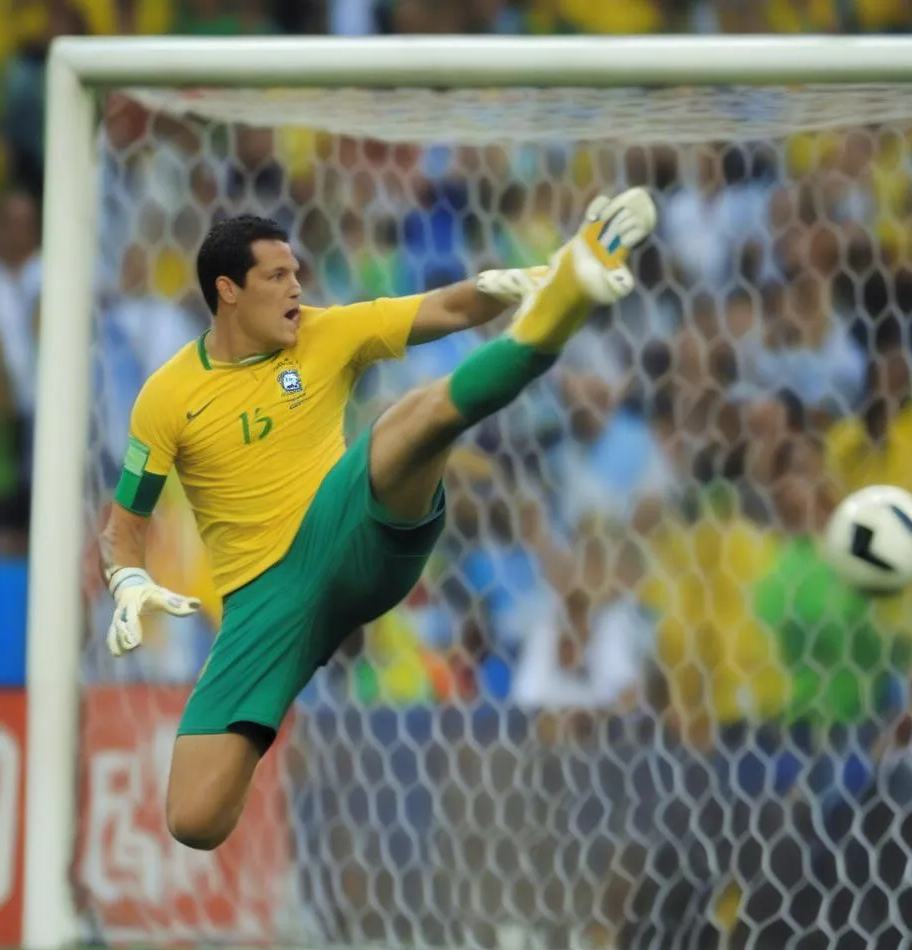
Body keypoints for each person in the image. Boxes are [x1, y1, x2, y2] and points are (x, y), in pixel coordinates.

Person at [99, 188, 657, 850]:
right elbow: (123, 523)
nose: (295, 290)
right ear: (227, 290)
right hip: (262, 605)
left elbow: (450, 306)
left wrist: (548, 273)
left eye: (297, 275)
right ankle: (558, 305)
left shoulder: (324, 332)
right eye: (277, 277)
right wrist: (126, 580)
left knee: (418, 418)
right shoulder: (165, 397)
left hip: (351, 532)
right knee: (193, 819)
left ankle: (556, 316)